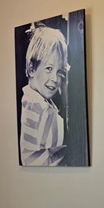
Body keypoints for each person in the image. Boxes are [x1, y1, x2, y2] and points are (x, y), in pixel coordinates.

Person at [19, 23, 68, 166]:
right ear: (31, 69)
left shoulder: (33, 97)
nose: (55, 78)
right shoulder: (37, 105)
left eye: (59, 72)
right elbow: (30, 157)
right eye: (49, 68)